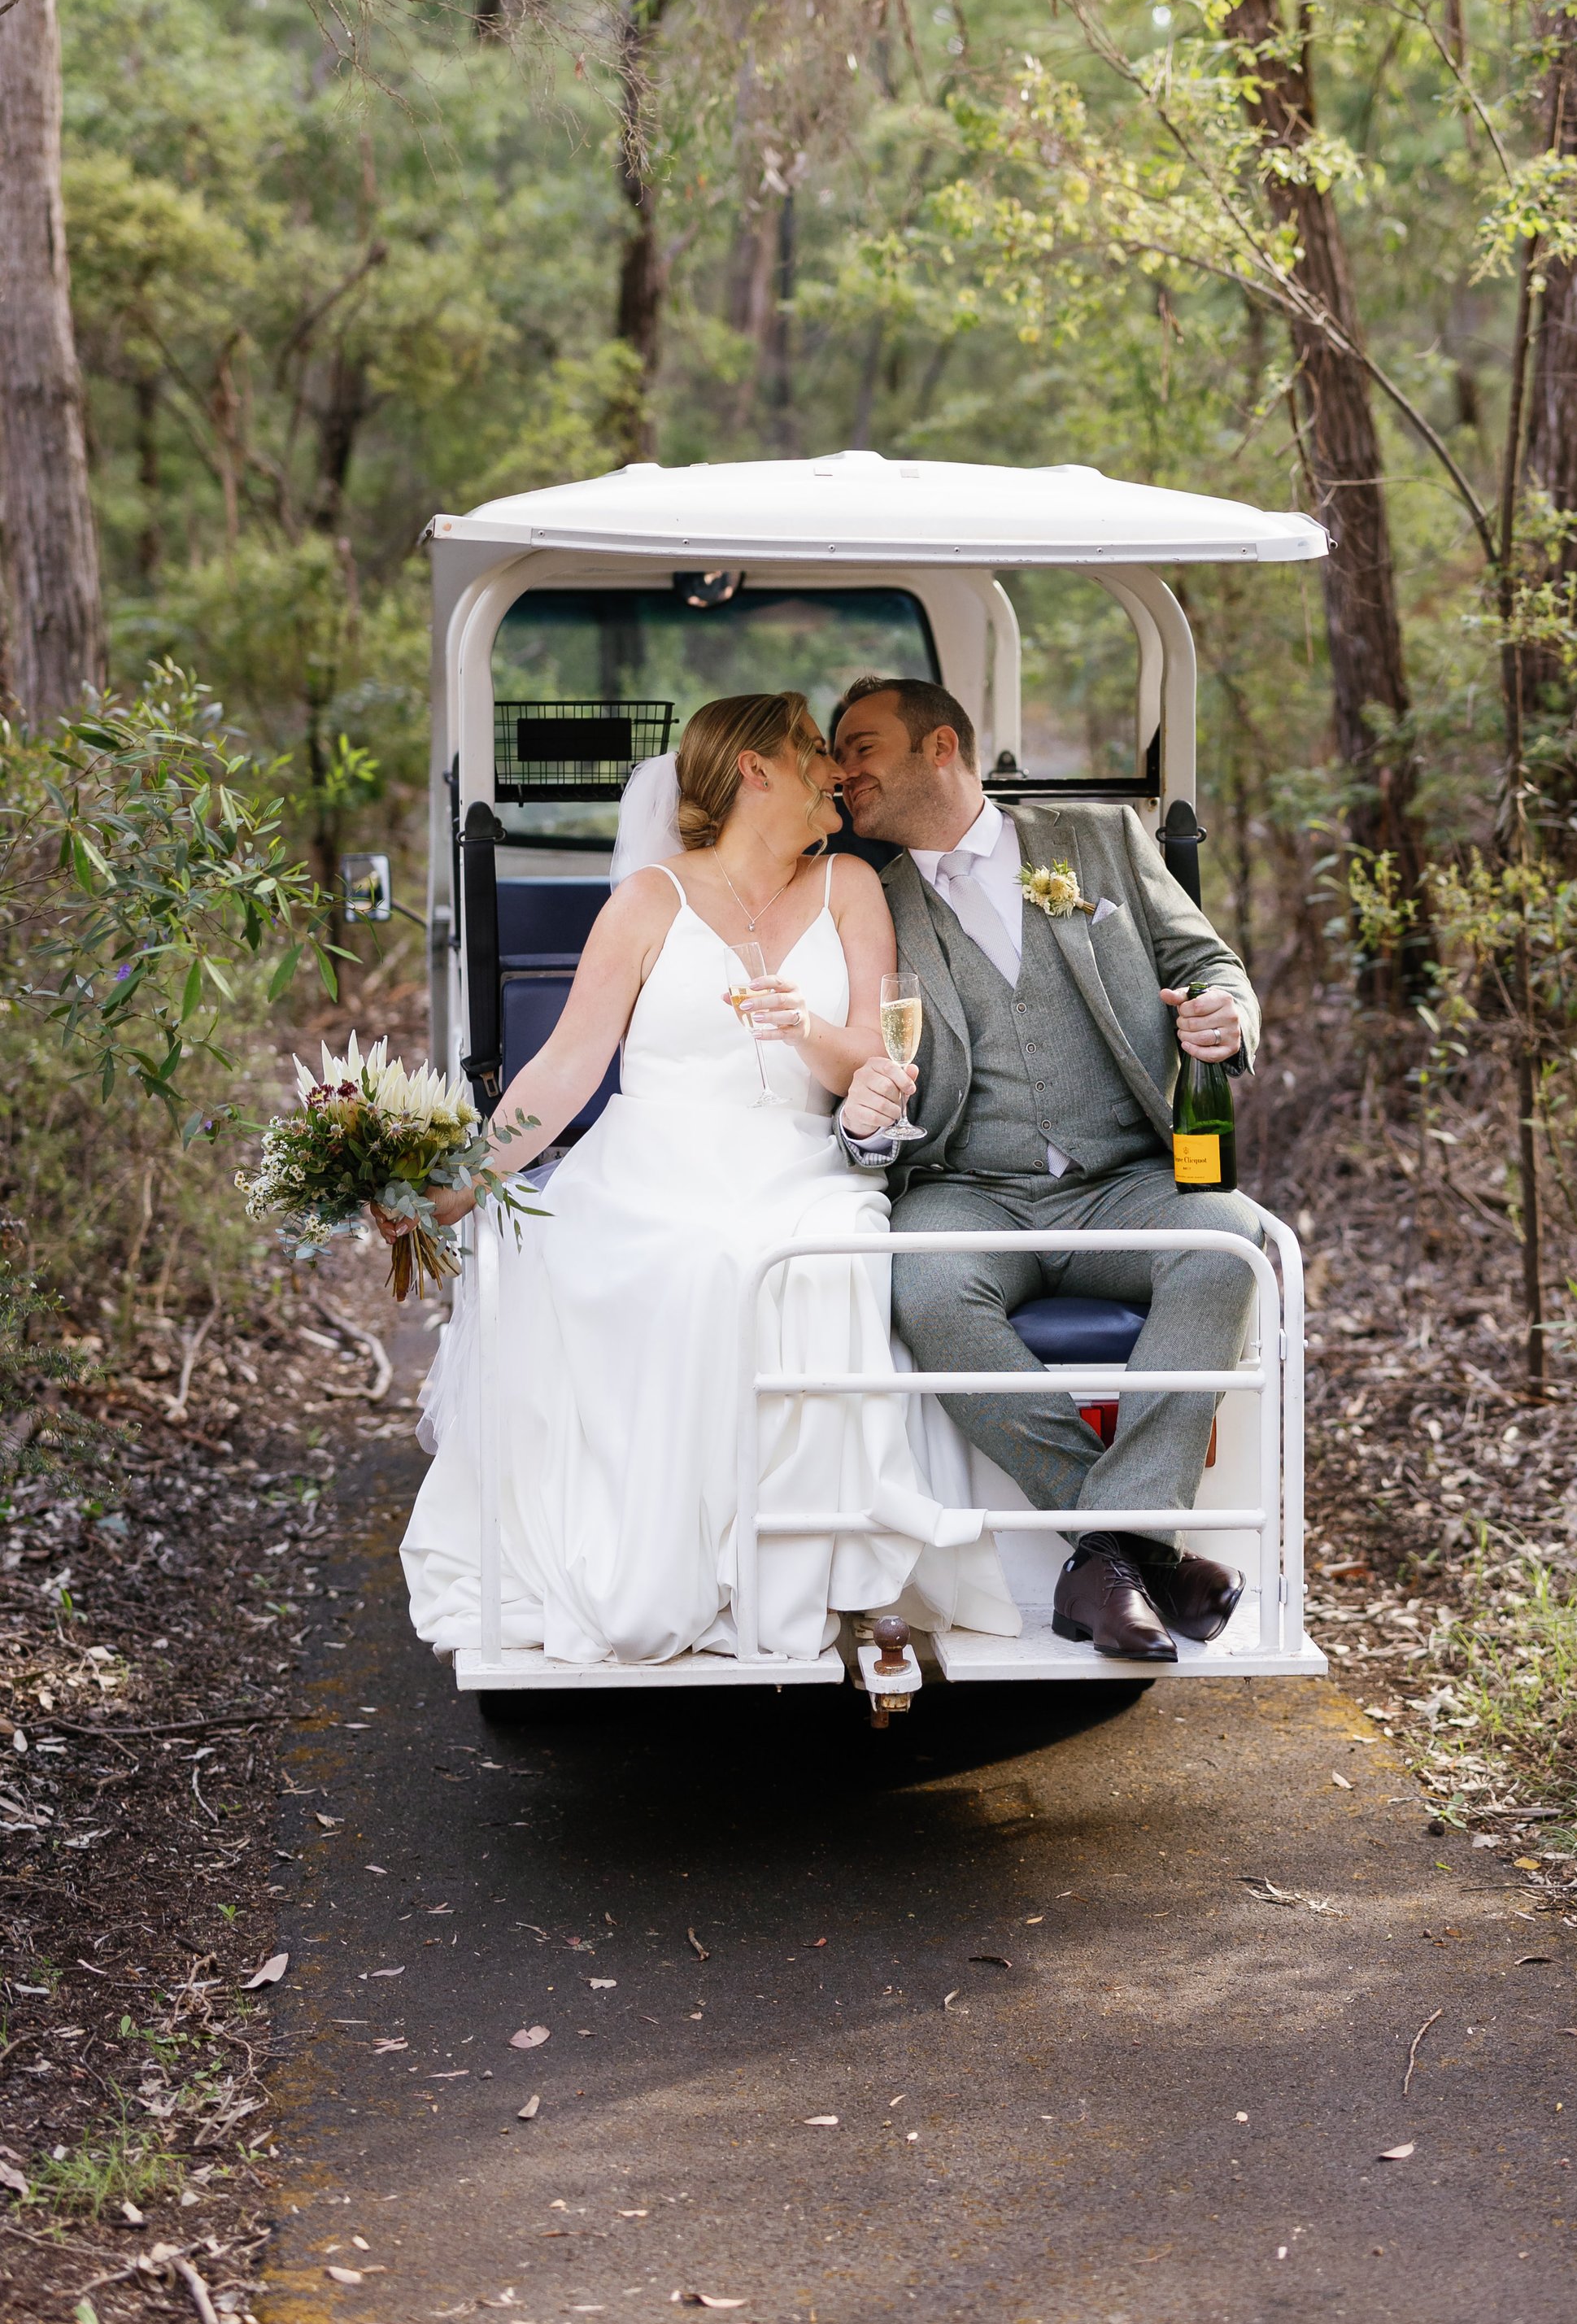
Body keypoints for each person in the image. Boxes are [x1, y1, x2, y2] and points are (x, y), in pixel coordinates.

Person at [393, 689, 1011, 1668]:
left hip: (801, 1164)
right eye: (815, 749)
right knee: (651, 1257)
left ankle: (791, 1568)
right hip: (648, 1162)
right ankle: (662, 1559)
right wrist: (461, 1181)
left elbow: (880, 1056)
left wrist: (799, 1029)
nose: (835, 771)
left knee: (808, 1261)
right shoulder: (648, 900)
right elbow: (565, 1067)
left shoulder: (850, 883)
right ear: (753, 770)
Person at [830, 674, 1261, 1664]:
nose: (842, 770)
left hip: (1124, 1177)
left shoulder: (1101, 838)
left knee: (1228, 1245)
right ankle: (1134, 1553)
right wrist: (865, 1127)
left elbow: (1212, 965)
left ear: (941, 748)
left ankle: (1104, 1555)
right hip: (966, 1185)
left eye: (862, 747)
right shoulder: (866, 896)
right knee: (924, 1281)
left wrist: (1226, 1015)